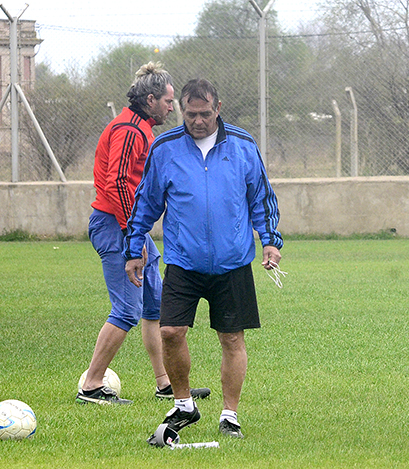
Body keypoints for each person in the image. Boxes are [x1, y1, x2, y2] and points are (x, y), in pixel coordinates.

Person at [124, 78, 283, 440]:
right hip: (184, 262)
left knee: (231, 339)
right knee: (170, 331)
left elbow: (261, 197)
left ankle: (230, 415)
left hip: (232, 263)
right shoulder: (165, 148)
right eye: (190, 114)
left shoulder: (242, 145)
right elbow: (145, 201)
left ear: (218, 109)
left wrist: (270, 242)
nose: (197, 121)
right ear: (182, 109)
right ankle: (184, 405)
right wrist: (134, 249)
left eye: (205, 114)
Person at [76, 63, 211, 405]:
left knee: (155, 307)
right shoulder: (129, 130)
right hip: (116, 226)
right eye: (168, 100)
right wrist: (132, 237)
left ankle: (165, 383)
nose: (172, 107)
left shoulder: (141, 129)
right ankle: (91, 386)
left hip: (130, 228)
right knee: (125, 309)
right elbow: (118, 183)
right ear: (150, 99)